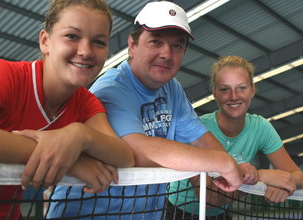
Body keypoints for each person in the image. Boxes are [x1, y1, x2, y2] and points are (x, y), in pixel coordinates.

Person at [0, 0, 135, 219]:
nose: (86, 51)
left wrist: (80, 134)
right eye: (72, 36)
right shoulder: (3, 74)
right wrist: (67, 160)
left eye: (99, 41)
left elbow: (124, 156)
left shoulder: (86, 103)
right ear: (45, 41)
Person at [46, 1, 243, 219]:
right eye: (155, 42)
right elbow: (135, 151)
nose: (166, 54)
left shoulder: (172, 89)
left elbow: (202, 140)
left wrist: (232, 167)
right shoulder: (111, 90)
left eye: (177, 46)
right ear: (132, 45)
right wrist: (221, 163)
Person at [166, 55, 303, 219]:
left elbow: (298, 176)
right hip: (178, 212)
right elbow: (210, 198)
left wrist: (282, 185)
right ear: (215, 94)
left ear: (252, 91)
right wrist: (261, 177)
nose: (234, 96)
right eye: (225, 89)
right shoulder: (197, 129)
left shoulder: (261, 127)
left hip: (221, 213)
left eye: (241, 88)